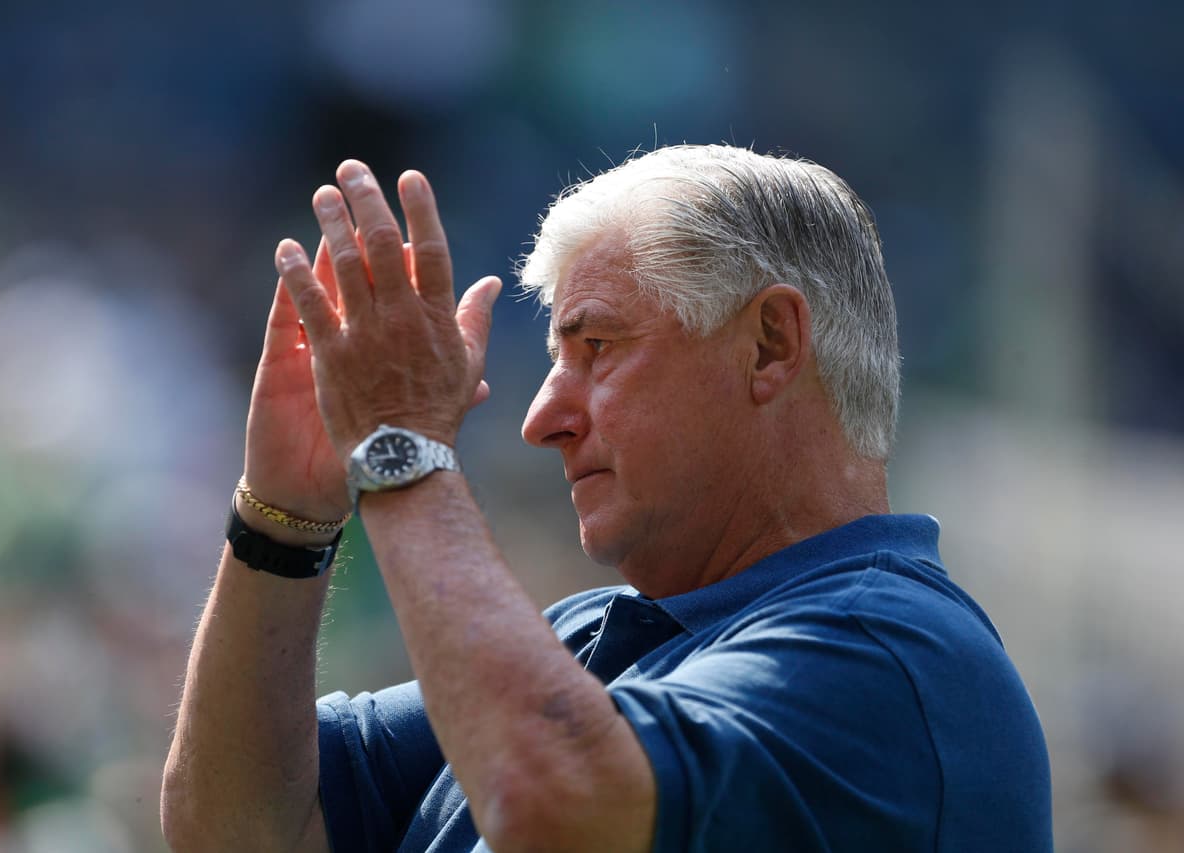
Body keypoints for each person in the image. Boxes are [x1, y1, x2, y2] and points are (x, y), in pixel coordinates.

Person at [160, 145, 1052, 852]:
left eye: (596, 347)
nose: (540, 416)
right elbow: (236, 829)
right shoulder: (590, 636)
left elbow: (551, 808)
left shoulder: (893, 653)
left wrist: (400, 450)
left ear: (770, 345)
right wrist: (286, 515)